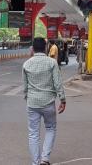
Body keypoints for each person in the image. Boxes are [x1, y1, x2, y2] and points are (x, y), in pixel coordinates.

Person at [22, 37, 66, 165]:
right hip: (48, 102)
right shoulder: (52, 63)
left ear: (33, 49)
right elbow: (58, 83)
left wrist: (28, 99)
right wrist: (62, 100)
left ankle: (35, 163)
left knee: (33, 133)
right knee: (51, 128)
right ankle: (45, 159)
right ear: (46, 48)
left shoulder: (26, 64)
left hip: (32, 103)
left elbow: (25, 87)